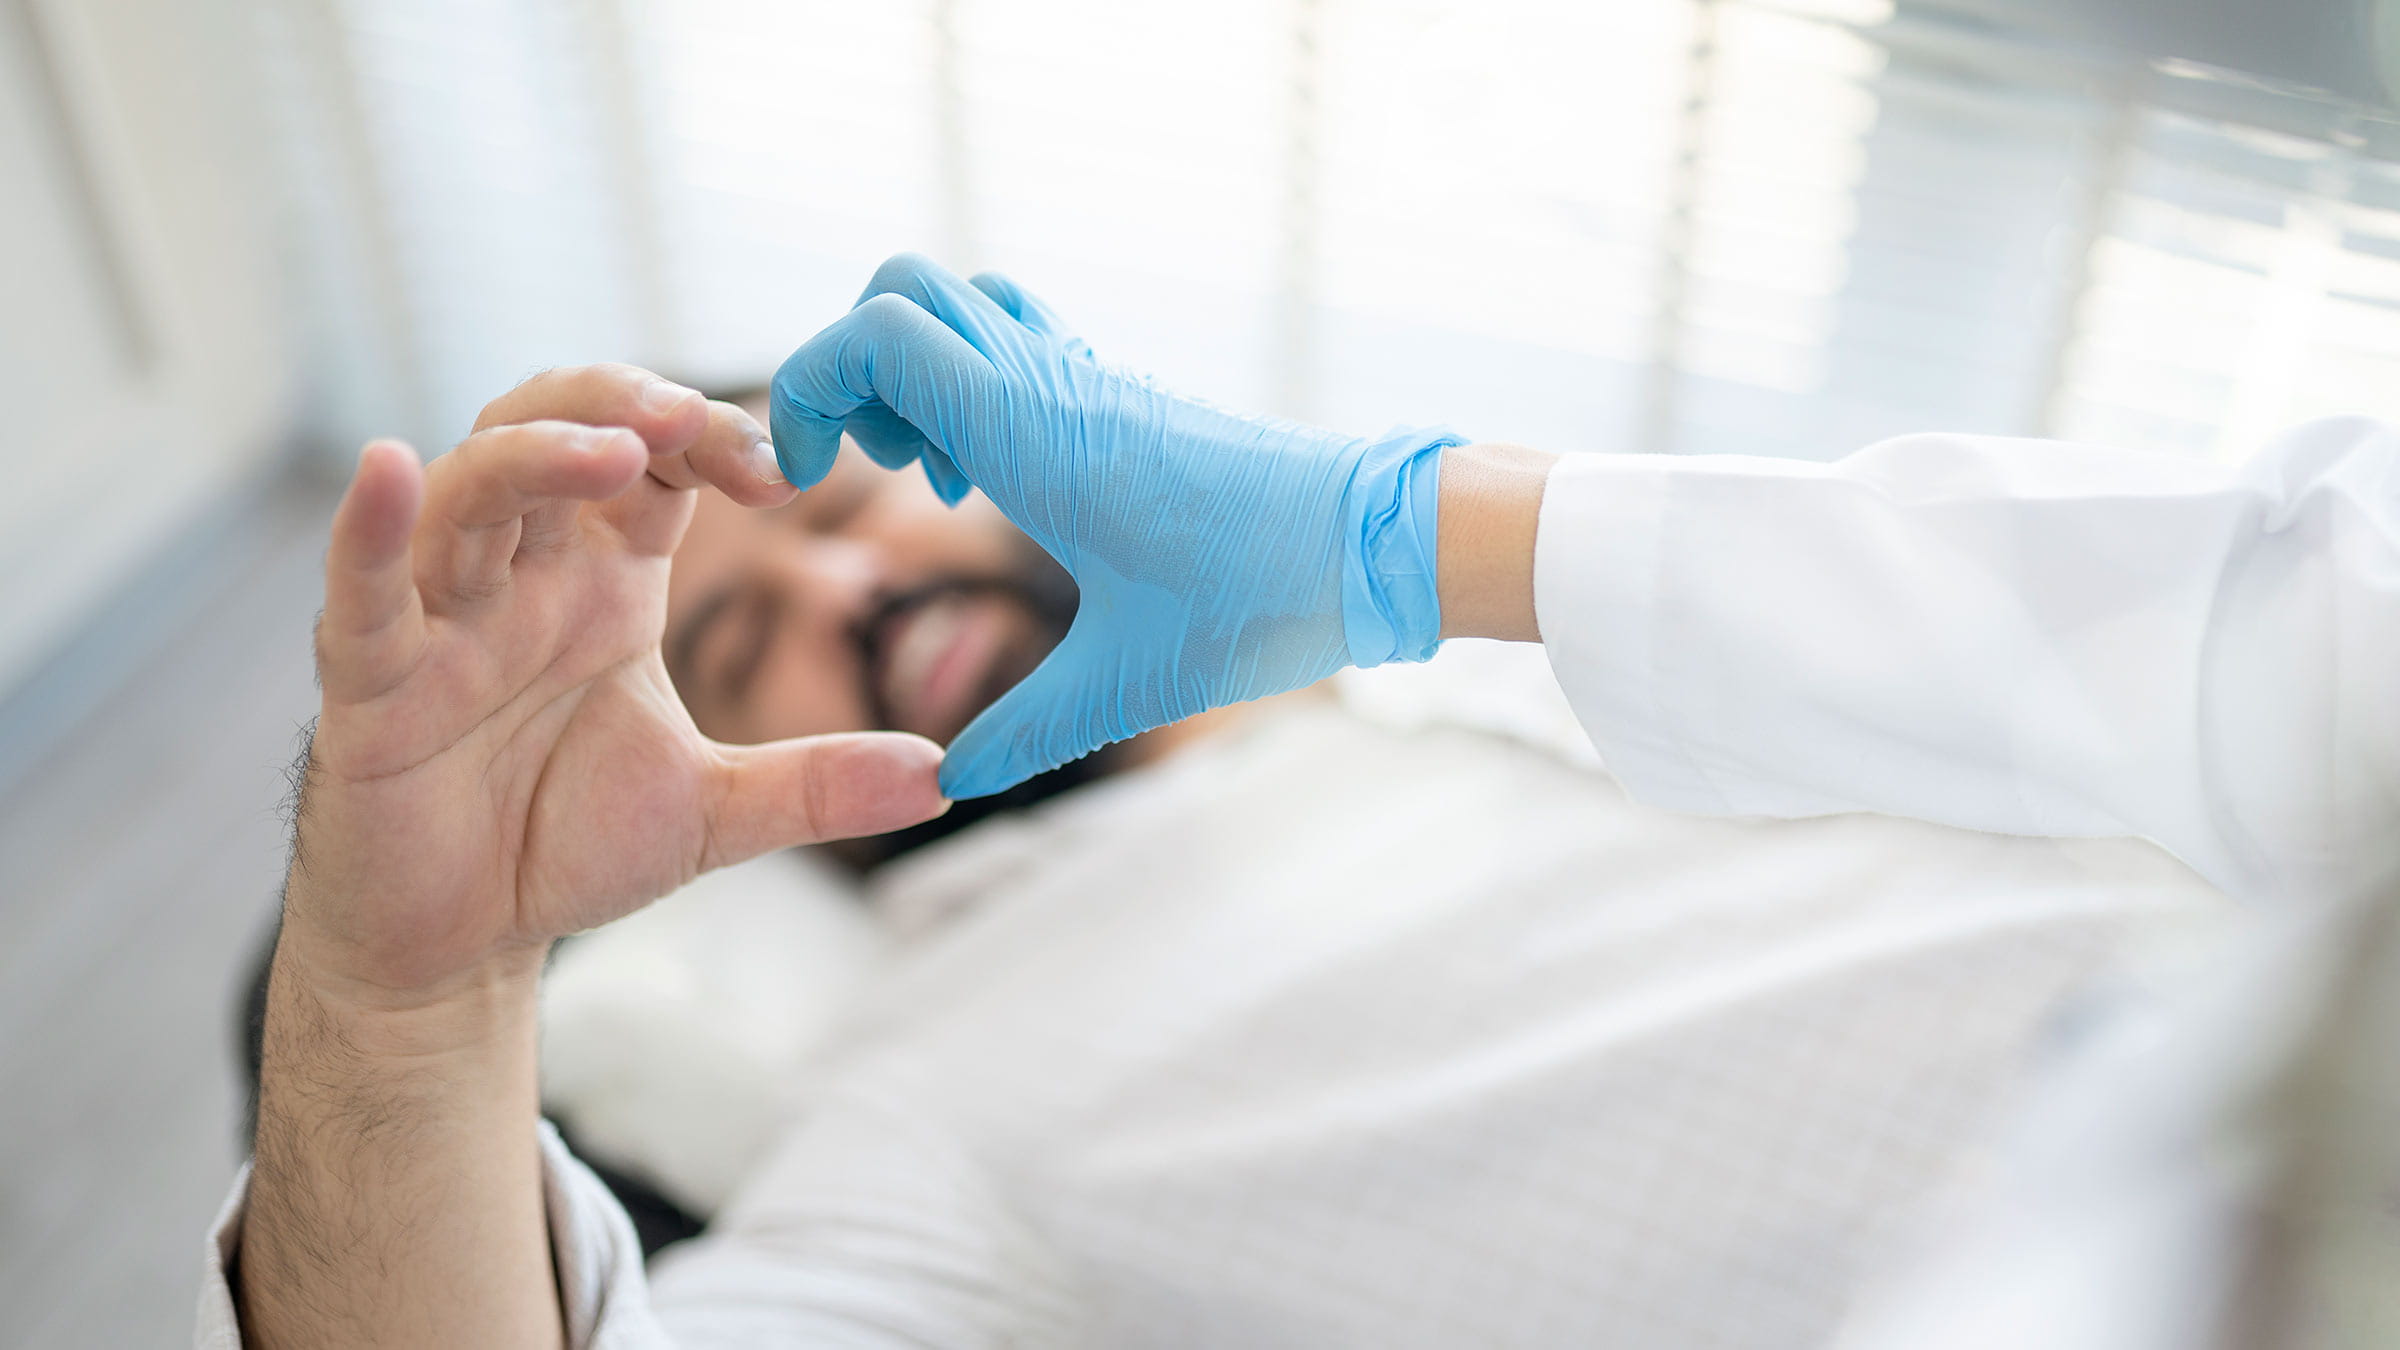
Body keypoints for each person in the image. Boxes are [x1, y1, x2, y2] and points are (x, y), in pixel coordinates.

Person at [199, 251, 2397, 1347]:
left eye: (836, 509)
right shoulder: (951, 1094)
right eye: (736, 640)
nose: (853, 594)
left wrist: (1411, 539)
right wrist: (403, 1000)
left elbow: (2274, 646)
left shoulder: (1516, 621)